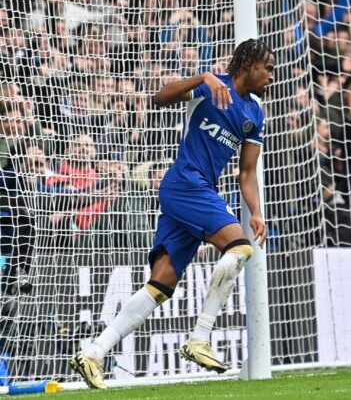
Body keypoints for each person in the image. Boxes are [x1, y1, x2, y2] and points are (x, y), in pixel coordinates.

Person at [70, 38, 275, 389]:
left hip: (198, 192)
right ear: (248, 65)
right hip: (185, 183)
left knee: (161, 283)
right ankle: (199, 339)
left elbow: (247, 173)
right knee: (239, 249)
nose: (272, 76)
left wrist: (256, 212)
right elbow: (159, 98)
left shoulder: (255, 114)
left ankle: (93, 352)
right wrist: (200, 78)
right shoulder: (210, 88)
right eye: (268, 68)